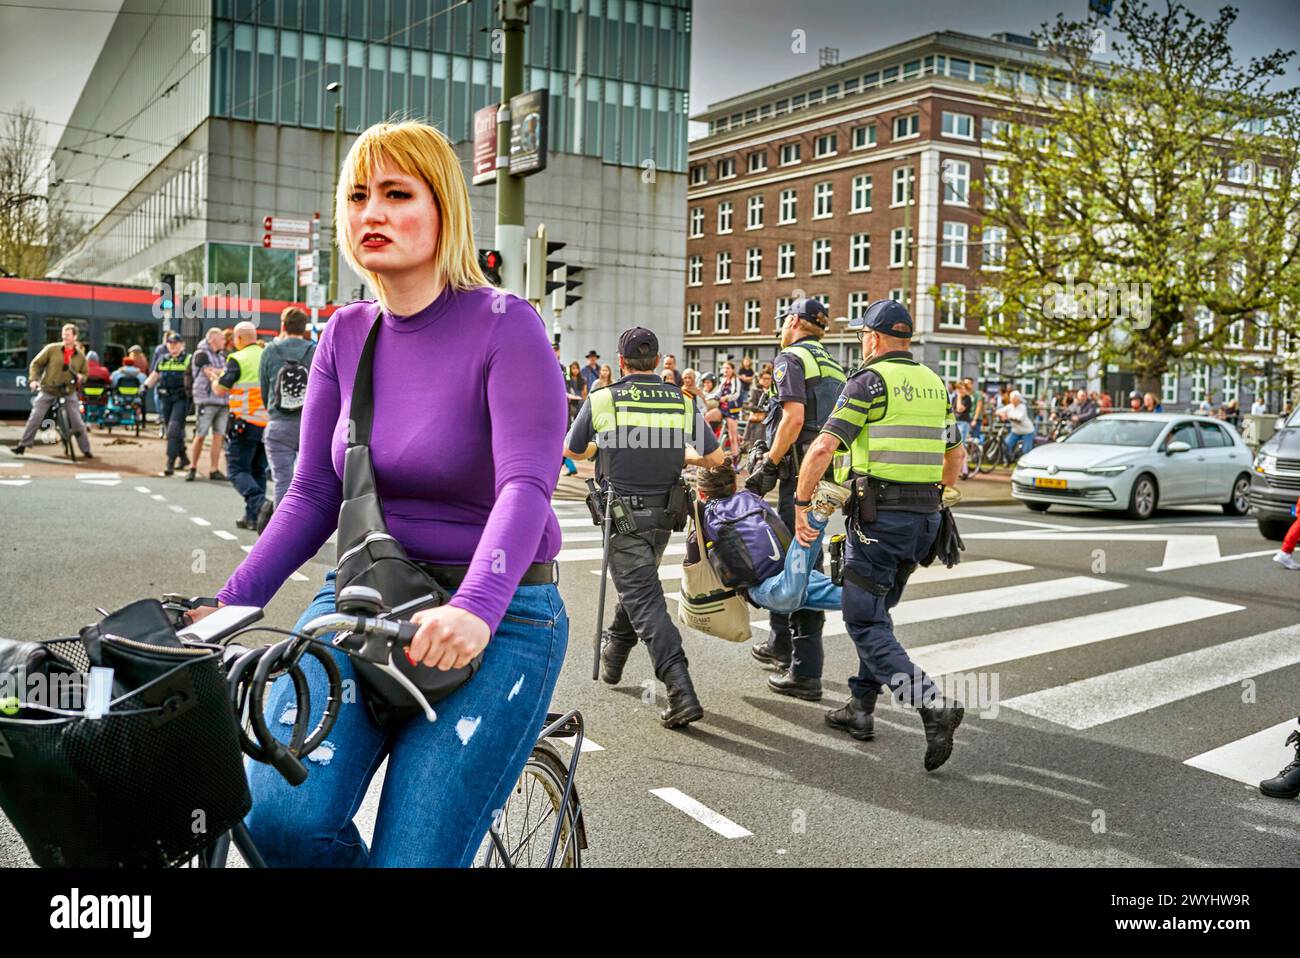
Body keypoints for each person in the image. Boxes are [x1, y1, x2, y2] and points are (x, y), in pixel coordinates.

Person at [186, 119, 569, 867]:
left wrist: (476, 609)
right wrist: (225, 606)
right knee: (278, 824)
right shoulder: (346, 334)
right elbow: (312, 493)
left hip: (499, 613)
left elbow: (526, 486)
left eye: (397, 193)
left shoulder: (507, 327)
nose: (373, 213)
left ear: (443, 210)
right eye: (358, 196)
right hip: (366, 597)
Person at [792, 299, 966, 771]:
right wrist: (939, 494)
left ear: (872, 337)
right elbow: (957, 456)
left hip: (878, 522)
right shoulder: (935, 384)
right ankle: (861, 709)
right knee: (880, 615)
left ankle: (931, 704)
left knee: (863, 621)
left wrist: (803, 505)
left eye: (862, 336)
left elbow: (824, 446)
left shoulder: (869, 381)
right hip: (924, 522)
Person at [565, 326, 725, 729]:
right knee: (641, 589)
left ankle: (680, 688)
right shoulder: (682, 400)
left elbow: (573, 449)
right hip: (664, 516)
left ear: (620, 362)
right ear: (657, 361)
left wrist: (607, 444)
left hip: (622, 518)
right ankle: (615, 655)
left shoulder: (603, 397)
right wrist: (675, 455)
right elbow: (715, 457)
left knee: (646, 601)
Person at [744, 298, 846, 701]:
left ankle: (805, 670)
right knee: (791, 557)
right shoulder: (834, 362)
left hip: (802, 476)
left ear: (793, 322)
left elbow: (794, 418)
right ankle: (781, 642)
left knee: (799, 564)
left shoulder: (791, 357)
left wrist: (768, 463)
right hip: (827, 474)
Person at [692, 459, 847, 615]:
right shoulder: (750, 496)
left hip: (769, 586)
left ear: (701, 493)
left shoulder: (705, 513)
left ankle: (818, 514)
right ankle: (820, 511)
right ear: (734, 485)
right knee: (858, 599)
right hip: (793, 572)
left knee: (788, 597)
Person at [206, 321, 269, 530]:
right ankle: (252, 518)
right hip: (266, 423)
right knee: (257, 468)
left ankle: (260, 504)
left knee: (236, 470)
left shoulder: (237, 359)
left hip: (244, 422)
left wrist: (215, 379)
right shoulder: (267, 354)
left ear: (239, 338)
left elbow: (221, 390)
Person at [258, 306, 317, 521]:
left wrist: (274, 411)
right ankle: (306, 527)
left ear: (283, 325)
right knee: (309, 483)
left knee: (282, 480)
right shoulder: (314, 350)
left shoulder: (269, 351)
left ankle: (283, 527)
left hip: (279, 425)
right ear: (304, 328)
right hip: (309, 427)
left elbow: (264, 390)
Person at [13, 322, 93, 458]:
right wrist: (33, 380)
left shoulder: (80, 356)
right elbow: (36, 364)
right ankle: (23, 445)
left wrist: (81, 377)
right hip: (48, 388)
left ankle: (86, 450)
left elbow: (85, 373)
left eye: (68, 334)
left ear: (75, 337)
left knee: (77, 421)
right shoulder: (52, 349)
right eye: (63, 334)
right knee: (36, 416)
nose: (64, 337)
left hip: (68, 391)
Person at [143, 332, 193, 476]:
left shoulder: (188, 359)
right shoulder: (163, 360)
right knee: (172, 430)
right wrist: (145, 387)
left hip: (181, 398)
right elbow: (155, 375)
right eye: (170, 344)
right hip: (166, 398)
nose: (173, 347)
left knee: (173, 429)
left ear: (182, 345)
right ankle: (183, 457)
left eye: (176, 344)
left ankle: (170, 462)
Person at [188, 326, 230, 481]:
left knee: (219, 435)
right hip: (206, 400)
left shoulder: (222, 355)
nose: (224, 341)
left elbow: (222, 371)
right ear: (212, 339)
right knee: (201, 434)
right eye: (222, 339)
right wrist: (222, 371)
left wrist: (220, 371)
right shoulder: (201, 354)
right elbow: (209, 371)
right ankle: (193, 466)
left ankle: (214, 469)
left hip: (223, 400)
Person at [711, 360, 743, 456]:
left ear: (732, 370)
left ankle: (735, 462)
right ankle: (712, 441)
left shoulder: (736, 381)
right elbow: (718, 392)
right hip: (722, 409)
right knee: (706, 417)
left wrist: (725, 398)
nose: (725, 370)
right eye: (724, 368)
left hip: (732, 410)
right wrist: (712, 396)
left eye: (728, 368)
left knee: (732, 437)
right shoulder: (723, 380)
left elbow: (735, 394)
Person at [998, 389, 1035, 460]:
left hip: (1027, 432)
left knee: (1026, 451)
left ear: (1018, 399)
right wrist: (1002, 414)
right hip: (1015, 431)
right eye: (1012, 399)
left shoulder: (1022, 407)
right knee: (1006, 445)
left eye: (1014, 399)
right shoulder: (1009, 406)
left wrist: (1007, 416)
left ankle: (1025, 464)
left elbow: (1019, 419)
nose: (1013, 400)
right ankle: (1008, 460)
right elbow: (997, 411)